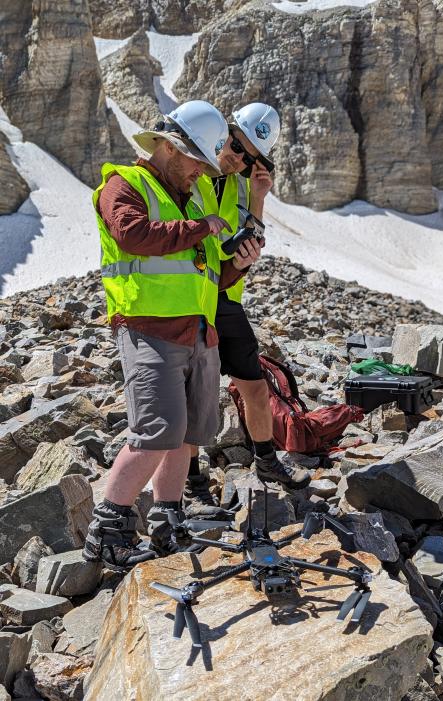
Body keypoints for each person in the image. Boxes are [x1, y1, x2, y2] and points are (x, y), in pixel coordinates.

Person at [82, 100, 262, 573]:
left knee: (188, 435)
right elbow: (134, 235)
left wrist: (235, 266)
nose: (202, 172)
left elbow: (205, 274)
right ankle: (108, 530)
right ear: (169, 147)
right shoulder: (124, 184)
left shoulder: (195, 196)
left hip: (199, 333)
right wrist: (202, 227)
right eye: (197, 161)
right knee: (155, 432)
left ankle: (168, 518)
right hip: (149, 330)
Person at [184, 103, 310, 519]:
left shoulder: (241, 186)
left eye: (248, 154)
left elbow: (250, 238)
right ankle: (191, 478)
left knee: (254, 386)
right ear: (225, 132)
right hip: (188, 296)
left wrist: (258, 198)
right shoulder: (194, 170)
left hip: (225, 299)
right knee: (194, 393)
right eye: (235, 144)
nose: (237, 156)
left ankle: (266, 460)